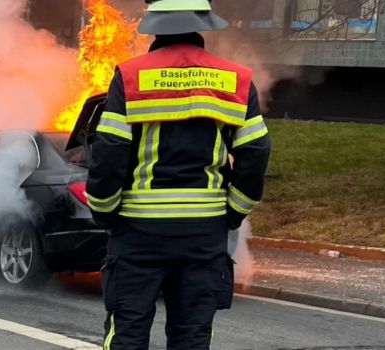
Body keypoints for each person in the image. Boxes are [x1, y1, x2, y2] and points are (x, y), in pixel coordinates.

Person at [86, 0, 271, 348]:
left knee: (128, 333)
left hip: (138, 232)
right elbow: (255, 152)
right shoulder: (236, 79)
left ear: (155, 23)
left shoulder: (131, 76)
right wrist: (234, 211)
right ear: (202, 21)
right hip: (204, 234)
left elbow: (110, 151)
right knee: (192, 336)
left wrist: (105, 210)